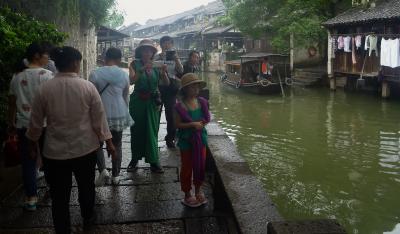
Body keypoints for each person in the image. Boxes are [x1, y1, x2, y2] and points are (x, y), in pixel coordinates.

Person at [26, 46, 116, 233]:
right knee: (86, 187)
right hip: (85, 148)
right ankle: (88, 216)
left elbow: (35, 123)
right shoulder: (87, 87)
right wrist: (109, 142)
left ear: (57, 65)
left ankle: (62, 227)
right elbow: (99, 119)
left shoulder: (45, 89)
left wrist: (32, 143)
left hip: (54, 152)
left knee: (59, 195)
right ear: (75, 63)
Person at [7, 42, 54, 211]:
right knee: (48, 157)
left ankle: (31, 198)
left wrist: (10, 122)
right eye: (46, 55)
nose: (48, 58)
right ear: (36, 55)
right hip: (45, 124)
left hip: (23, 125)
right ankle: (51, 186)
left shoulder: (16, 77)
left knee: (28, 162)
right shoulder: (48, 76)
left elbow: (12, 103)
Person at [89, 47, 134, 186]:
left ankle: (103, 170)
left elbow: (90, 97)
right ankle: (116, 176)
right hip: (119, 113)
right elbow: (126, 95)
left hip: (100, 114)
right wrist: (124, 110)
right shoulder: (123, 74)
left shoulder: (95, 74)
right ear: (120, 59)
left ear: (105, 57)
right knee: (117, 144)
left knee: (97, 144)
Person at [127, 39, 169, 173]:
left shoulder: (157, 65)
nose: (147, 52)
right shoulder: (134, 64)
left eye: (149, 50)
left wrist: (163, 73)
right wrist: (143, 69)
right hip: (138, 101)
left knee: (152, 131)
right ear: (140, 52)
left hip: (153, 102)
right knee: (137, 130)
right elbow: (131, 81)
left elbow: (166, 83)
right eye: (144, 50)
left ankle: (154, 161)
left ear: (152, 52)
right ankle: (134, 159)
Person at [174, 73, 210, 208]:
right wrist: (192, 125)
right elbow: (177, 125)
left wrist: (200, 125)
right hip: (186, 140)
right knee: (187, 167)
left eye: (197, 87)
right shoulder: (180, 106)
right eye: (192, 87)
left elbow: (205, 119)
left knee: (200, 166)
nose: (195, 89)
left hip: (200, 139)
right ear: (185, 89)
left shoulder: (202, 102)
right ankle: (187, 193)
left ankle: (198, 189)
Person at [155, 36, 183, 148]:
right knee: (156, 113)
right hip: (159, 88)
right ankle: (154, 137)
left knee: (171, 115)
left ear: (172, 45)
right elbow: (152, 69)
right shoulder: (156, 57)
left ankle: (170, 138)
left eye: (169, 43)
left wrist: (176, 59)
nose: (167, 45)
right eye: (164, 43)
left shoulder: (175, 57)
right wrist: (159, 59)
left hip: (171, 89)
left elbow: (181, 71)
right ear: (161, 45)